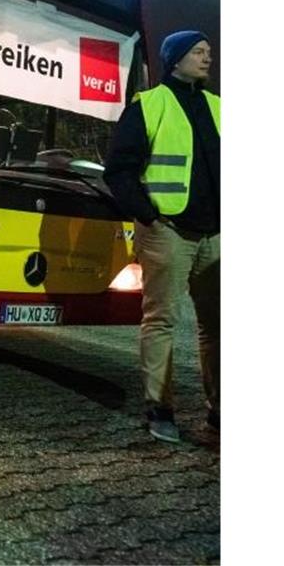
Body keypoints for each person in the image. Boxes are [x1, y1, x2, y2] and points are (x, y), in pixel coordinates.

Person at [103, 30, 220, 443]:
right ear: (175, 59)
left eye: (208, 51)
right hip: (167, 231)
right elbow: (118, 170)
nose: (208, 57)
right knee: (162, 321)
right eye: (198, 51)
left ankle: (219, 416)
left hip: (215, 235)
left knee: (219, 325)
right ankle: (159, 409)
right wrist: (149, 215)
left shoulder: (219, 107)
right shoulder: (149, 105)